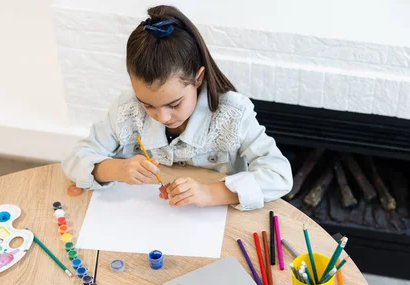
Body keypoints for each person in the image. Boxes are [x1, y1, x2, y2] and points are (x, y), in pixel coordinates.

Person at [62, 5, 292, 211]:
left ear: (198, 78)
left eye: (174, 104)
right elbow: (73, 160)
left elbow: (279, 175)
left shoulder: (234, 114)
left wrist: (210, 193)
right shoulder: (126, 109)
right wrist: (116, 169)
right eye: (147, 104)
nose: (162, 117)